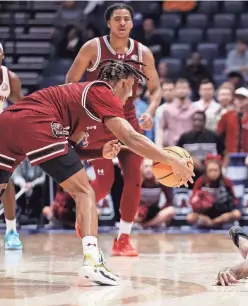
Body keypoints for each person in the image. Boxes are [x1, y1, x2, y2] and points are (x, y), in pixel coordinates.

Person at [0, 60, 194, 285]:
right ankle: (93, 262)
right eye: (130, 88)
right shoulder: (102, 91)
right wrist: (170, 159)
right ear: (122, 82)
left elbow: (68, 152)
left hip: (6, 122)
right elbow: (130, 137)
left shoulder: (81, 104)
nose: (130, 95)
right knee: (84, 193)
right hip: (35, 121)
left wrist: (99, 151)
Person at [65, 3, 163, 256]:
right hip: (99, 120)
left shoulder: (143, 52)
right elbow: (70, 83)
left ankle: (123, 239)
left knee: (134, 179)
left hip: (129, 119)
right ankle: (82, 213)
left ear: (132, 23)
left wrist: (150, 111)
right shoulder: (92, 48)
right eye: (117, 19)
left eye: (126, 19)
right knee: (106, 182)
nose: (122, 23)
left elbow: (156, 90)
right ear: (108, 23)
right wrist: (81, 116)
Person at [0, 42, 24, 250]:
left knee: (6, 181)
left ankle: (11, 230)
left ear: (2, 55)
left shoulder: (10, 78)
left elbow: (23, 108)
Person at [187, 155, 240, 228]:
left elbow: (235, 200)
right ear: (206, 171)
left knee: (237, 213)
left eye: (215, 170)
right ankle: (209, 223)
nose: (213, 173)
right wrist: (200, 202)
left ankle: (216, 223)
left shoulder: (226, 182)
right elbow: (192, 200)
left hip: (222, 215)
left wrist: (227, 203)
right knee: (190, 217)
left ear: (220, 170)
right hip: (206, 215)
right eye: (210, 170)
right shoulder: (201, 181)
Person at [177, 111, 225, 182]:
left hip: (210, 175)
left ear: (205, 121)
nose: (197, 122)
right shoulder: (184, 137)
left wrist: (221, 167)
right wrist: (191, 160)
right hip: (189, 175)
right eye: (195, 120)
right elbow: (177, 155)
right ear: (192, 122)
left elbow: (224, 153)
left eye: (200, 120)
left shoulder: (214, 136)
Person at [135, 160, 175, 228]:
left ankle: (147, 225)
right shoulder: (136, 181)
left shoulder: (162, 181)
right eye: (146, 167)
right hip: (140, 213)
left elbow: (169, 201)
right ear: (142, 168)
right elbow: (130, 201)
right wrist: (139, 209)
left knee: (171, 210)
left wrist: (161, 210)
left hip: (155, 212)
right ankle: (148, 223)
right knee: (125, 210)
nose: (148, 170)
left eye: (151, 167)